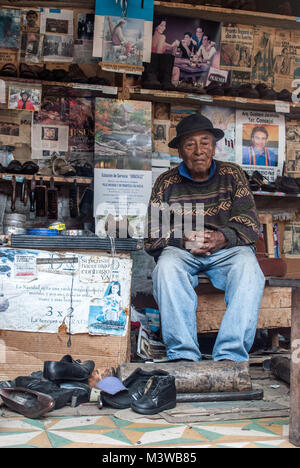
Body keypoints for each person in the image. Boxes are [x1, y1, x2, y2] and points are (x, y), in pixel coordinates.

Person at [144, 113, 265, 363]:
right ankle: (183, 355)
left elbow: (251, 223)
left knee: (249, 268)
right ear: (180, 151)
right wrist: (183, 240)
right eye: (190, 144)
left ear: (214, 146)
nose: (198, 150)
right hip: (183, 251)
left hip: (226, 250)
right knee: (166, 268)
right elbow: (151, 234)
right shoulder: (165, 183)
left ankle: (230, 356)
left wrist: (222, 237)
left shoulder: (232, 174)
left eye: (205, 142)